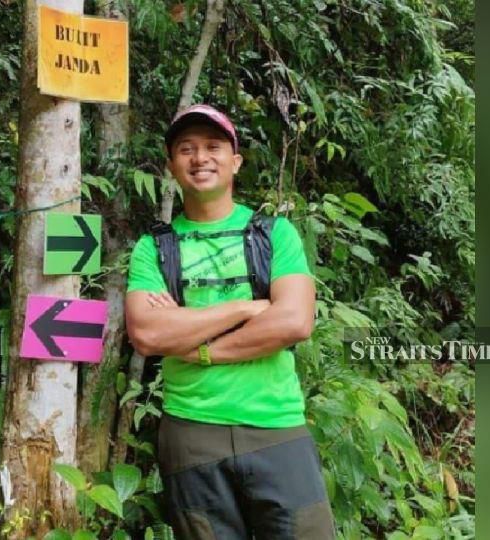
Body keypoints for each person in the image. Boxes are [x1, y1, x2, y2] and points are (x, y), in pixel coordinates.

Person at [125, 104, 336, 539]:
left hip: (276, 426)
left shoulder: (275, 234)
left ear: (235, 161)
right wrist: (245, 308)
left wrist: (196, 344)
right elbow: (147, 332)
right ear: (171, 165)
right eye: (186, 149)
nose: (200, 158)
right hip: (191, 432)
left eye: (212, 147)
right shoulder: (153, 248)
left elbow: (294, 321)